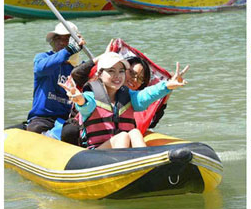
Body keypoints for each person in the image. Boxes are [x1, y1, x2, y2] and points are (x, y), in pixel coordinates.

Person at [58, 52, 187, 149]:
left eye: (121, 71)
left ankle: (146, 164)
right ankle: (125, 169)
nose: (117, 76)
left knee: (135, 132)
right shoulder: (90, 96)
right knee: (123, 136)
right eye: (111, 71)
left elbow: (147, 95)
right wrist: (79, 99)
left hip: (121, 150)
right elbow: (85, 104)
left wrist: (167, 85)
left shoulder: (129, 96)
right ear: (99, 74)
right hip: (96, 152)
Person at [28, 21, 85, 137]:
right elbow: (41, 68)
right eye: (58, 38)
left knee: (72, 131)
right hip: (42, 118)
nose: (61, 42)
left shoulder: (79, 67)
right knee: (35, 129)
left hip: (66, 119)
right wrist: (68, 50)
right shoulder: (43, 58)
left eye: (66, 39)